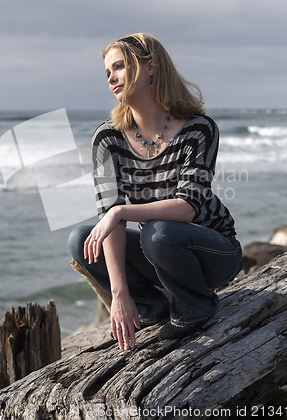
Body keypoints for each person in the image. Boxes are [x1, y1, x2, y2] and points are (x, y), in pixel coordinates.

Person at [68, 32, 242, 350]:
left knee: (158, 233)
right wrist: (120, 295)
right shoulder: (108, 139)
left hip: (214, 253)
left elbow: (186, 208)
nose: (112, 78)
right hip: (161, 255)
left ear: (150, 67)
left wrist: (119, 211)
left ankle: (196, 307)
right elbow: (111, 222)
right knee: (82, 239)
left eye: (119, 66)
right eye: (107, 72)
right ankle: (151, 308)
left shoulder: (198, 128)